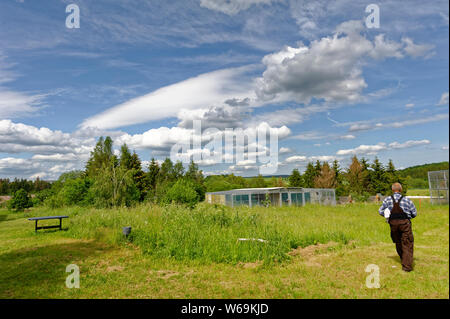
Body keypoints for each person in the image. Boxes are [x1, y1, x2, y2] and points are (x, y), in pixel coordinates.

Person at [378, 182, 417, 272]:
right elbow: (414, 213)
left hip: (393, 225)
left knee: (398, 242)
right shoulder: (407, 200)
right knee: (407, 243)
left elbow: (380, 211)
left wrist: (388, 216)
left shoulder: (387, 200)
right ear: (401, 190)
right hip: (405, 224)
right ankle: (407, 267)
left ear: (392, 190)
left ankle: (403, 259)